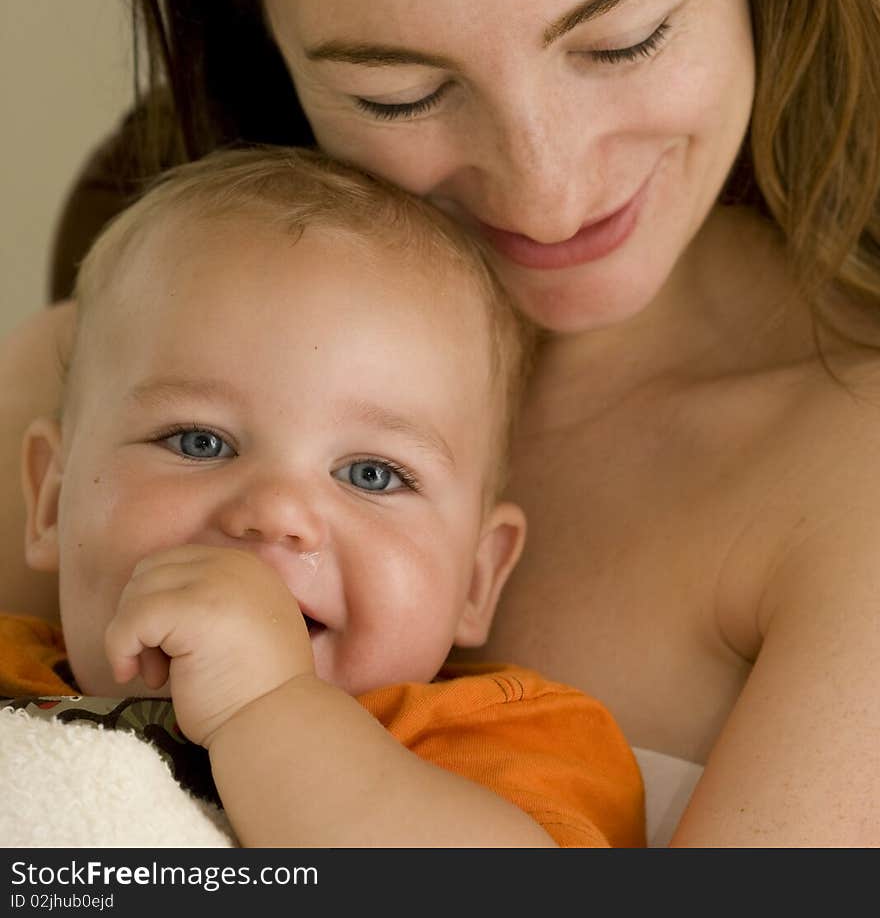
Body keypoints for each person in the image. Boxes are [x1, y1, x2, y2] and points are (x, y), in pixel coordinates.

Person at [2, 0, 880, 846]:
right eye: (398, 93)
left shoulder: (847, 490)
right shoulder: (99, 385)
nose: (545, 182)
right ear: (266, 40)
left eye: (622, 37)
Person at [3, 146, 645, 849]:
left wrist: (266, 705)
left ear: (477, 578)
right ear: (52, 499)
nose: (276, 511)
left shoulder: (505, 742)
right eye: (197, 442)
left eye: (372, 473)